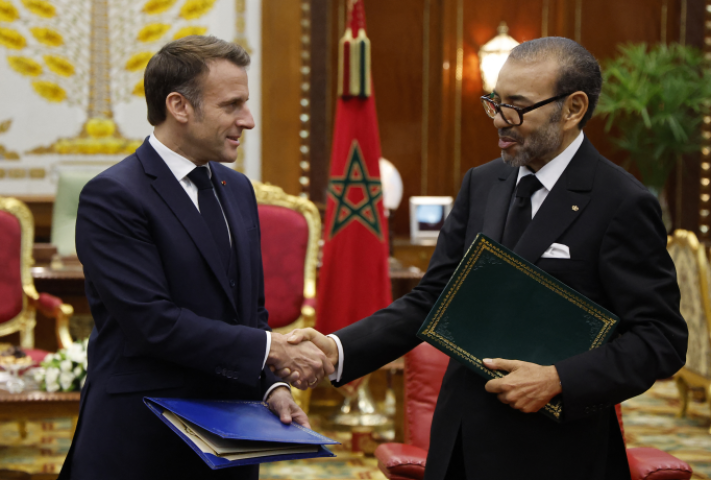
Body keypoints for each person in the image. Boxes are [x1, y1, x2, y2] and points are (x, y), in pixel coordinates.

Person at [285, 37, 687, 480]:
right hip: (459, 443)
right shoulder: (483, 182)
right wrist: (339, 347)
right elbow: (434, 298)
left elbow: (660, 339)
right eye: (494, 101)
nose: (498, 119)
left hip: (557, 455)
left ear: (572, 109)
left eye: (516, 106)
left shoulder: (621, 202)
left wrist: (559, 379)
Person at [58, 36, 332, 480]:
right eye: (232, 105)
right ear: (179, 107)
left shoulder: (237, 189)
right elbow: (153, 324)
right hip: (143, 443)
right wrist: (271, 350)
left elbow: (248, 311)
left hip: (234, 442)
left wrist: (273, 386)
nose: (249, 120)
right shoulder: (113, 196)